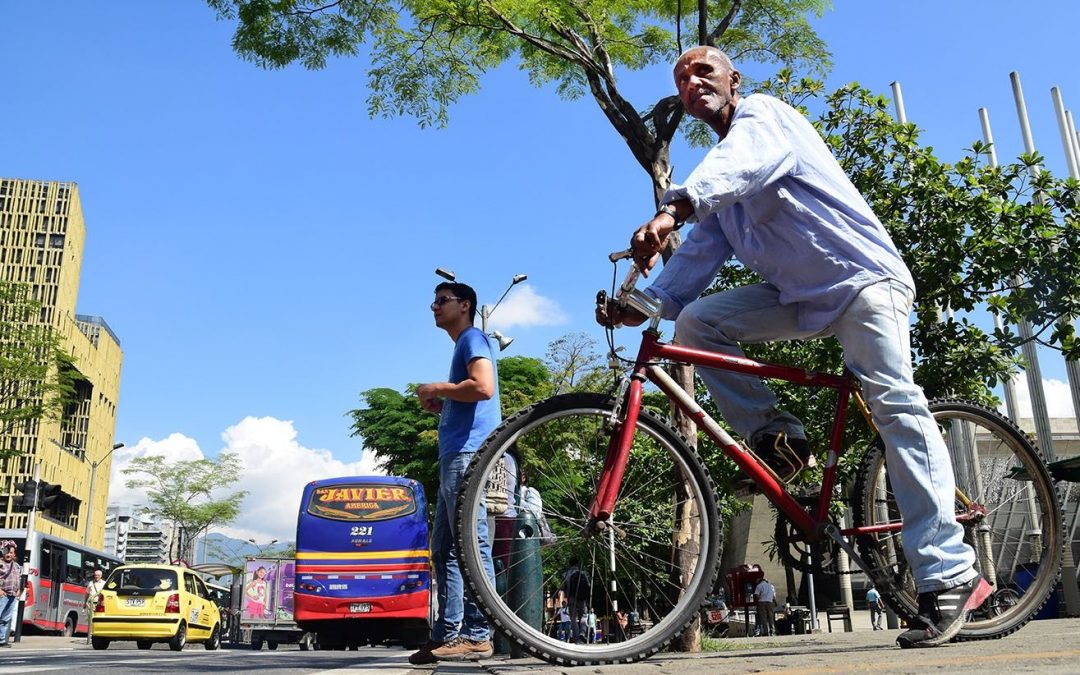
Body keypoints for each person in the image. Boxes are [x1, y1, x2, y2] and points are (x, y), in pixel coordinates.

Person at [597, 45, 990, 650]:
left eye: (704, 70)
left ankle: (951, 574)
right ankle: (780, 436)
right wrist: (641, 306)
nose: (692, 81)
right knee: (696, 323)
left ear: (733, 79)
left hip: (863, 282)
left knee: (896, 407)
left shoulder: (765, 117)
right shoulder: (719, 187)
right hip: (800, 299)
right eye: (681, 78)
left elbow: (740, 164)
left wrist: (672, 209)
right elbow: (695, 261)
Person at [410, 282, 499, 664]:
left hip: (466, 455)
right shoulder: (463, 343)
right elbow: (470, 394)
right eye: (433, 301)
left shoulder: (472, 338)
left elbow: (483, 386)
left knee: (470, 544)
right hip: (455, 455)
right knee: (444, 549)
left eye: (442, 300)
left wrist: (439, 387)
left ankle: (478, 634)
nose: (435, 306)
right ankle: (447, 635)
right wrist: (444, 405)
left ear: (465, 305)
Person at [559, 562, 591, 642]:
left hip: (571, 599)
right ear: (577, 565)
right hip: (582, 599)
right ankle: (582, 633)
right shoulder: (584, 573)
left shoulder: (566, 574)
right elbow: (588, 585)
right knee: (583, 616)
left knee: (573, 618)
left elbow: (562, 587)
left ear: (570, 564)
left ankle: (576, 638)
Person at [0, 540, 21, 648]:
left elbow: (19, 579)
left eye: (11, 552)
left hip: (12, 595)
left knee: (6, 619)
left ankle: (2, 640)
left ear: (14, 554)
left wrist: (19, 590)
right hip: (2, 595)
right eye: (7, 552)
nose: (9, 554)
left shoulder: (16, 566)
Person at [85, 568, 106, 644]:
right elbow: (87, 593)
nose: (96, 576)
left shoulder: (104, 583)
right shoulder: (90, 583)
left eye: (98, 575)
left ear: (101, 576)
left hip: (99, 604)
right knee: (90, 620)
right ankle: (90, 636)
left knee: (97, 620)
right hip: (90, 604)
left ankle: (95, 635)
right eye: (95, 575)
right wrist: (85, 603)